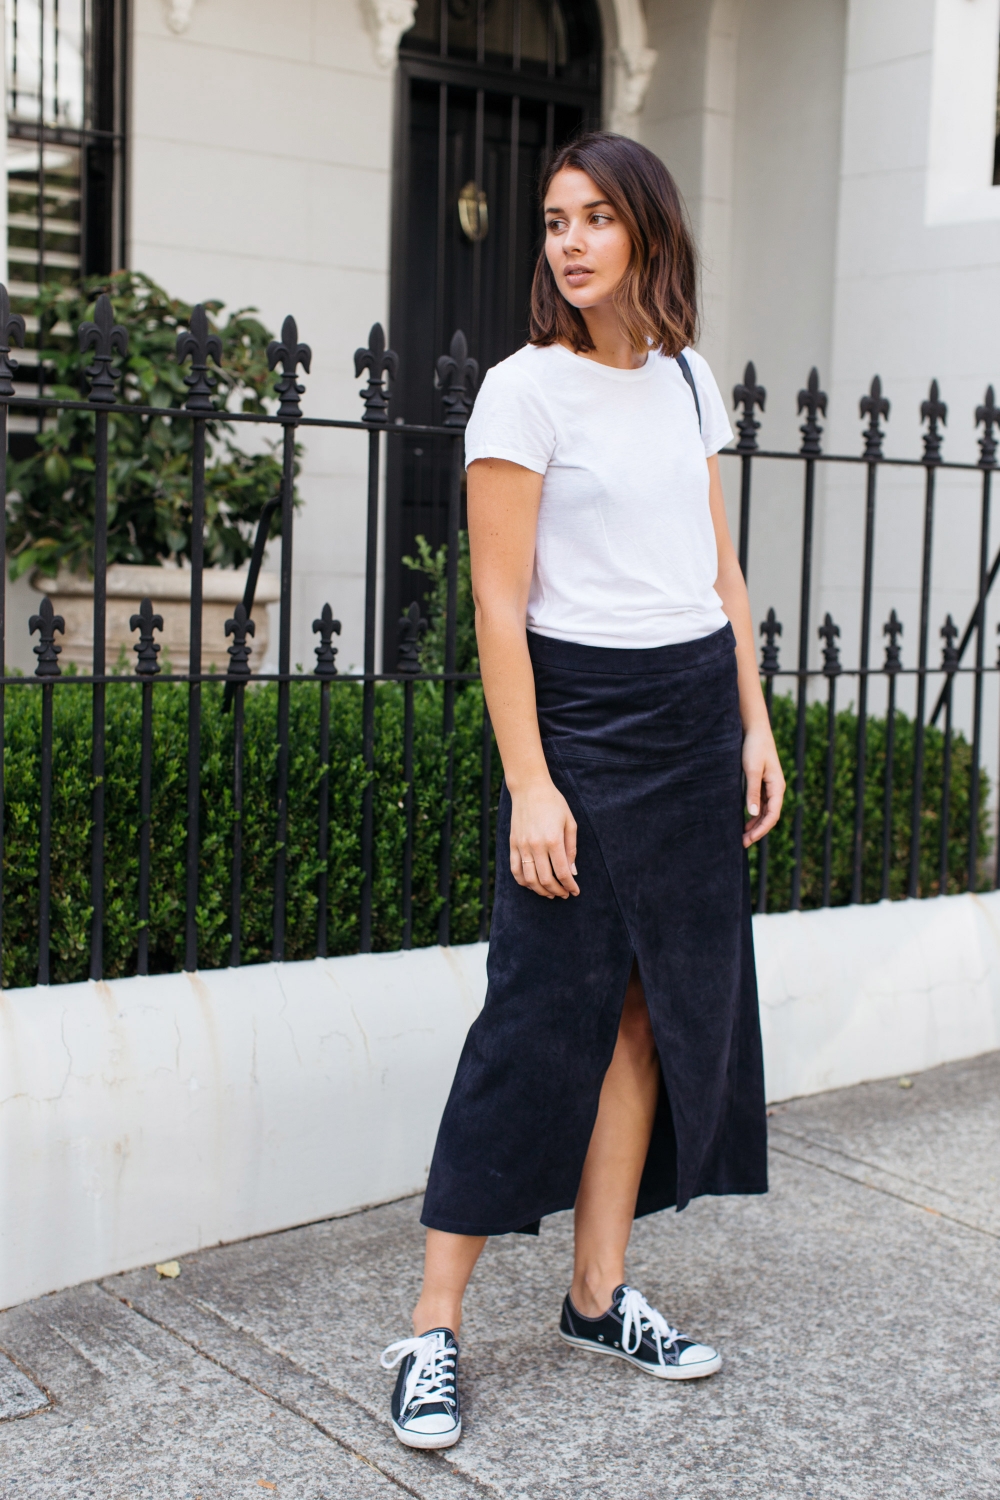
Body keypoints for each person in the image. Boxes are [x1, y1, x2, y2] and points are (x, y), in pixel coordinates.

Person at [379, 131, 785, 1451]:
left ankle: (599, 1296)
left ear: (647, 232)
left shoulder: (684, 381)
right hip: (582, 719)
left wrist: (752, 723)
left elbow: (717, 574)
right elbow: (500, 606)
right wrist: (531, 787)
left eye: (597, 217)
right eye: (556, 220)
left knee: (647, 1021)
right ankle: (432, 1326)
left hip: (686, 723)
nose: (569, 240)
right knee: (535, 1019)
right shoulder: (522, 391)